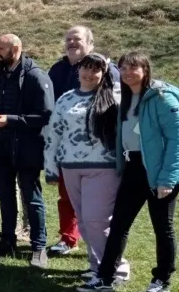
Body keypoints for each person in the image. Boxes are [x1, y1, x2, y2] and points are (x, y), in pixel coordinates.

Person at [78, 52, 179, 292]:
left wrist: (167, 178)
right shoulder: (126, 98)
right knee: (119, 225)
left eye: (133, 68)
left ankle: (161, 280)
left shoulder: (161, 97)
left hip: (158, 170)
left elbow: (177, 140)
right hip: (134, 169)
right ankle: (105, 277)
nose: (127, 73)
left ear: (146, 69)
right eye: (122, 68)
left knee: (162, 227)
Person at [44, 53, 130, 283]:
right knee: (83, 220)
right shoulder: (65, 99)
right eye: (86, 68)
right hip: (71, 168)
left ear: (104, 73)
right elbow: (54, 135)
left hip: (104, 168)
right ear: (78, 70)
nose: (89, 74)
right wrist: (50, 167)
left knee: (96, 220)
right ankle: (96, 266)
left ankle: (115, 268)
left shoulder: (115, 97)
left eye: (96, 70)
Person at [0, 34, 54, 268]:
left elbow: (45, 115)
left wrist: (9, 120)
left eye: (1, 48)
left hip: (27, 149)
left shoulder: (35, 76)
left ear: (16, 49)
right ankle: (7, 240)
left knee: (32, 199)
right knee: (5, 197)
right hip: (1, 148)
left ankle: (38, 247)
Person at [47, 26, 120, 256]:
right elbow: (53, 120)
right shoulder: (58, 72)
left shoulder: (110, 81)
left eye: (76, 39)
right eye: (68, 39)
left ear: (90, 43)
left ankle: (110, 264)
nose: (71, 42)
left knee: (96, 216)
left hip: (103, 163)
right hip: (69, 158)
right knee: (74, 206)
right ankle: (77, 245)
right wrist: (51, 159)